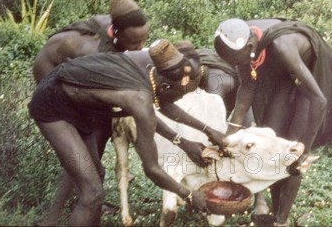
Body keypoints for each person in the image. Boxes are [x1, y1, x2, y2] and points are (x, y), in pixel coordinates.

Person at [29, 39, 226, 226]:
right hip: (52, 103)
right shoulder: (139, 99)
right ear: (165, 86)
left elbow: (163, 104)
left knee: (96, 173)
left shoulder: (154, 66)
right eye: (179, 95)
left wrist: (205, 132)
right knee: (93, 193)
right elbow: (152, 169)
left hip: (81, 106)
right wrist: (189, 195)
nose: (178, 101)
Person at [32, 0, 150, 225]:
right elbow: (106, 101)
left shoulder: (118, 26)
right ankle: (54, 215)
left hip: (77, 74)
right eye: (135, 42)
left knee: (95, 142)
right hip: (50, 71)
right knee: (82, 151)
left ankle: (87, 196)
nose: (140, 46)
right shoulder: (93, 52)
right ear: (116, 33)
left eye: (144, 39)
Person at [214, 18, 332, 226]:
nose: (237, 66)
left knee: (293, 154)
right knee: (271, 141)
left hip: (312, 75)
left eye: (237, 61)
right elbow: (246, 91)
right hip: (285, 74)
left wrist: (304, 149)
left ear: (249, 47)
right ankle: (271, 208)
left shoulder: (281, 47)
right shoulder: (241, 40)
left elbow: (319, 100)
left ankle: (281, 220)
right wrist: (229, 138)